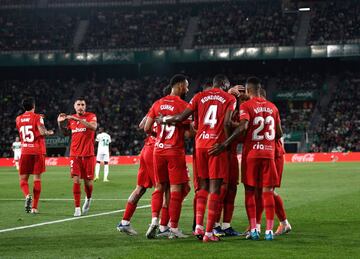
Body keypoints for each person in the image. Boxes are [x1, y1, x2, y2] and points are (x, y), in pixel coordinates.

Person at [162, 74, 236, 242]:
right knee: (215, 189)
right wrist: (225, 144)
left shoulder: (198, 96)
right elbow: (226, 123)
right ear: (224, 84)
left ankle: (198, 227)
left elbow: (181, 118)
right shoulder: (229, 98)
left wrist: (164, 119)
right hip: (216, 146)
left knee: (202, 187)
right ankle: (209, 234)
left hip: (200, 145)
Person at [209, 77, 282, 241]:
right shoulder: (273, 107)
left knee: (250, 192)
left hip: (251, 155)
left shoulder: (246, 106)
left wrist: (229, 139)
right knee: (267, 192)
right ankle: (269, 231)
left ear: (248, 91)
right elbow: (279, 134)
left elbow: (244, 126)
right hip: (269, 154)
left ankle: (254, 229)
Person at [117, 85, 173, 237]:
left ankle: (125, 222)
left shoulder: (155, 107)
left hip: (146, 149)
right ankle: (162, 226)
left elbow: (142, 125)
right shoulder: (173, 109)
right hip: (157, 150)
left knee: (140, 188)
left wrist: (153, 128)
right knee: (165, 188)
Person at [144, 74, 191, 239]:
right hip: (174, 151)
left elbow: (146, 128)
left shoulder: (157, 103)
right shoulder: (184, 105)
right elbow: (189, 134)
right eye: (186, 85)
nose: (187, 89)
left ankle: (154, 221)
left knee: (159, 188)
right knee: (176, 189)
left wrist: (159, 137)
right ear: (178, 85)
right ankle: (173, 228)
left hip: (158, 150)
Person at [57, 97, 97, 217]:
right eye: (78, 104)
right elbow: (65, 133)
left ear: (85, 106)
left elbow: (93, 127)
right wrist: (59, 123)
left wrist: (77, 118)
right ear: (75, 107)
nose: (80, 106)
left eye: (82, 104)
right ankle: (77, 208)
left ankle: (88, 199)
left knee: (88, 183)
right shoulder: (71, 120)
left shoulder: (91, 116)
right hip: (75, 155)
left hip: (88, 155)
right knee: (76, 180)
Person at [16, 97, 54, 213]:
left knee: (23, 179)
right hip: (38, 151)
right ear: (34, 106)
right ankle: (34, 208)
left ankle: (27, 195)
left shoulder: (18, 119)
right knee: (37, 178)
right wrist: (49, 132)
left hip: (25, 151)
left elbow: (27, 124)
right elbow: (42, 132)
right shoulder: (38, 117)